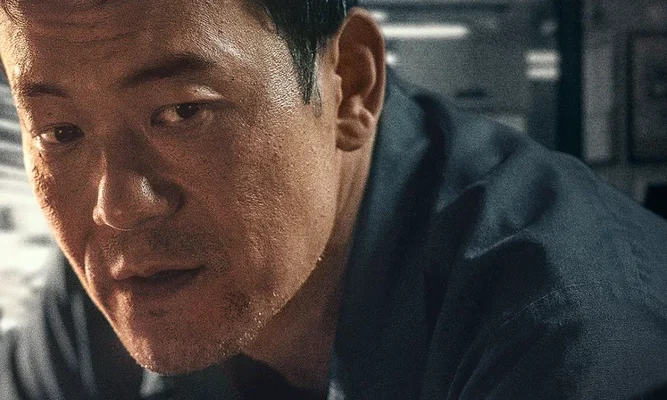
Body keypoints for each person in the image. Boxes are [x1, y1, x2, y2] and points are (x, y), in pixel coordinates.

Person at [1, 0, 667, 399]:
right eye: (61, 132)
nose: (117, 207)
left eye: (182, 111)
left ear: (348, 85)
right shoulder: (111, 289)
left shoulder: (567, 331)